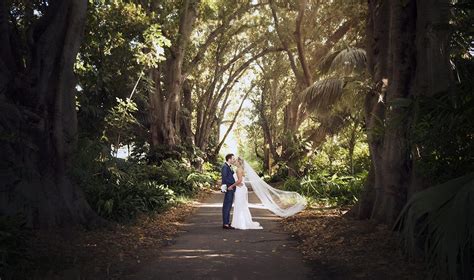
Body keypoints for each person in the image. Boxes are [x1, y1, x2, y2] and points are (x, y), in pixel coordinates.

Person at [228, 157, 262, 230]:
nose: (234, 162)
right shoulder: (240, 169)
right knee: (241, 205)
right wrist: (236, 184)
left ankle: (240, 223)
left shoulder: (238, 169)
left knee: (239, 204)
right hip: (241, 188)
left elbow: (239, 181)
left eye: (236, 161)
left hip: (240, 189)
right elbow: (240, 181)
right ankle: (241, 222)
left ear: (239, 162)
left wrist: (232, 186)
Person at [221, 153, 236, 229]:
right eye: (233, 159)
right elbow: (224, 178)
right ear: (229, 159)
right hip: (229, 187)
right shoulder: (225, 167)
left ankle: (226, 222)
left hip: (231, 187)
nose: (234, 160)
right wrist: (227, 187)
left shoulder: (229, 166)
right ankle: (225, 224)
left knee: (229, 205)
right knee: (227, 205)